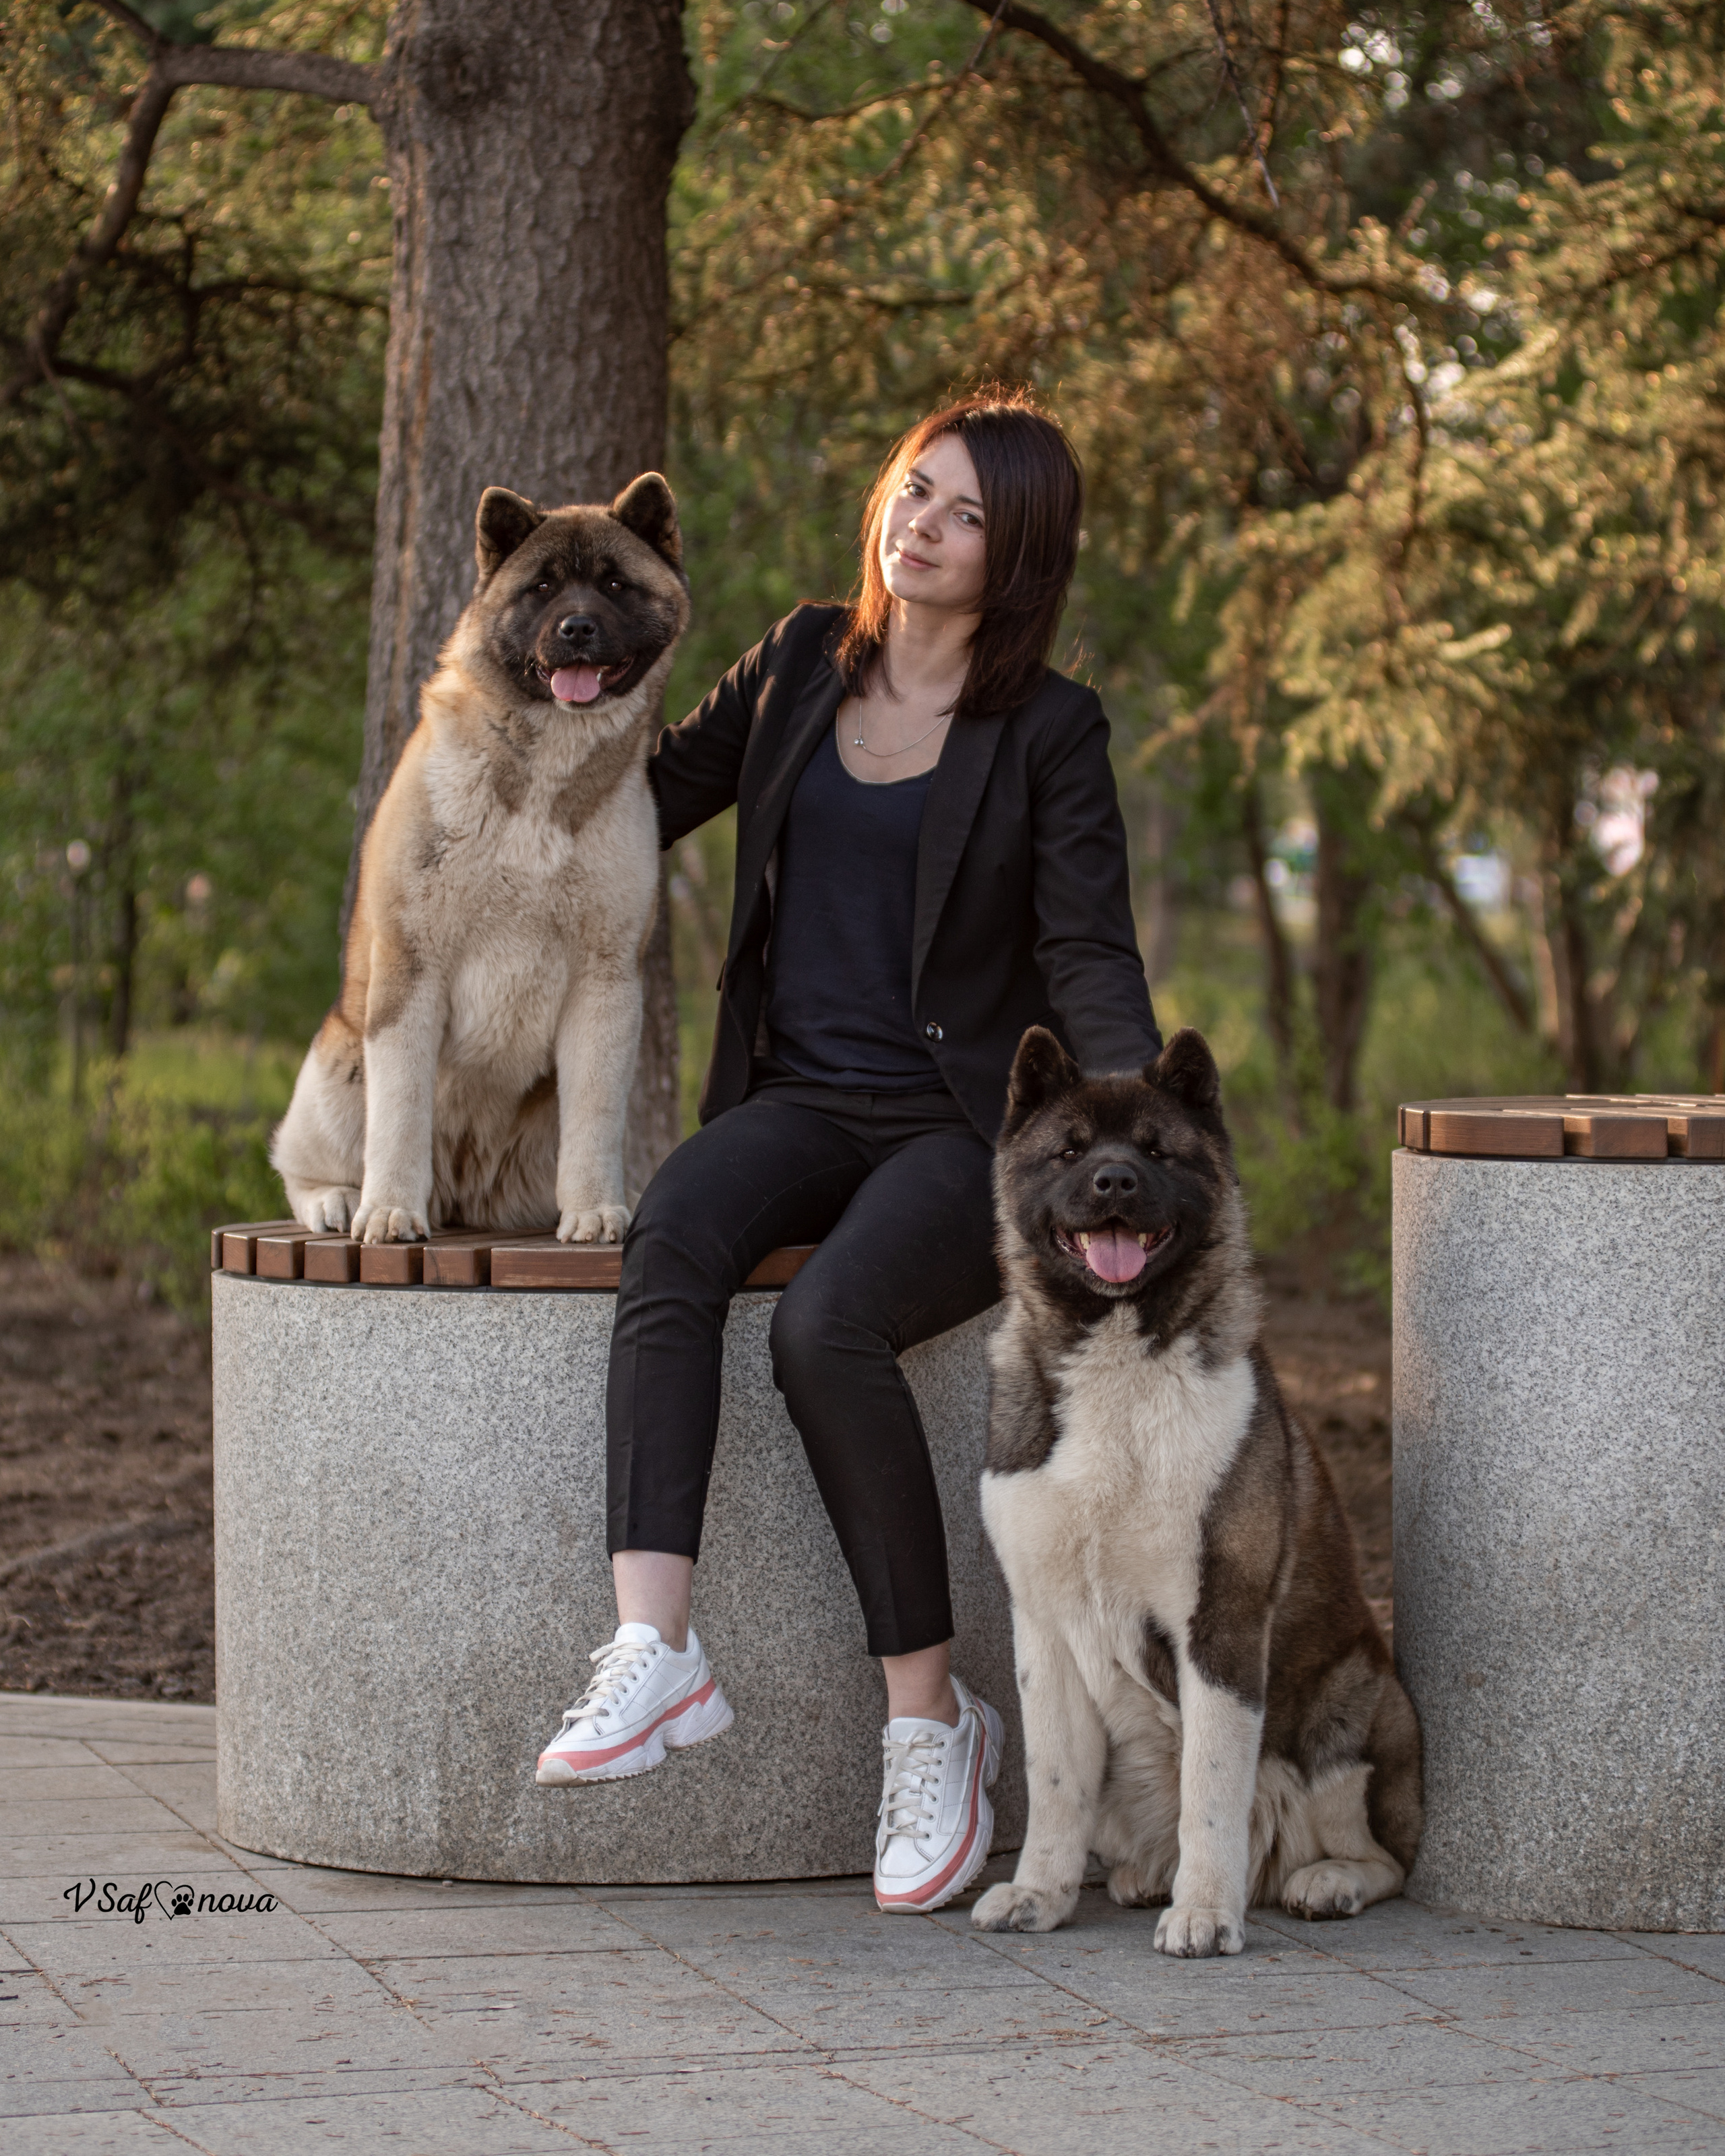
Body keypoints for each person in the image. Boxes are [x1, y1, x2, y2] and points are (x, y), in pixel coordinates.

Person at [534, 392, 1162, 1911]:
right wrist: (495, 765)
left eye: (964, 514)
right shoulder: (800, 661)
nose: (920, 525)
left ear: (1016, 556)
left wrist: (1138, 1131)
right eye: (913, 489)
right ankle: (655, 1645)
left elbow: (1088, 952)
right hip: (796, 1098)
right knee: (673, 1230)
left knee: (825, 1327)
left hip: (962, 1130)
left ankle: (931, 1723)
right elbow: (639, 797)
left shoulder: (1049, 730)